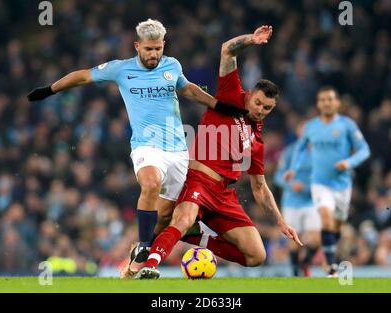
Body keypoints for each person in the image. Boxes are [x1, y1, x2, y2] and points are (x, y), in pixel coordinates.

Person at [26, 19, 243, 277]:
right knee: (150, 184)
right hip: (146, 146)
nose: (154, 54)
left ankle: (132, 267)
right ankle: (142, 246)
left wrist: (217, 105)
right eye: (149, 49)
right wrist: (49, 90)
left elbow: (189, 91)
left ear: (164, 45)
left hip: (178, 151)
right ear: (137, 46)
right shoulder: (121, 69)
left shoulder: (172, 66)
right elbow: (83, 75)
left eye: (158, 49)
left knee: (164, 218)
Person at [134, 25, 302, 279]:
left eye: (267, 108)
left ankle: (196, 235)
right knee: (182, 218)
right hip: (199, 180)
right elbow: (227, 51)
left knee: (256, 255)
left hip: (224, 195)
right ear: (249, 95)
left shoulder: (257, 139)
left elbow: (259, 187)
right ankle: (150, 266)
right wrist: (252, 40)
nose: (260, 109)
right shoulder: (231, 95)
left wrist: (280, 221)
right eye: (257, 102)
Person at [284, 86, 371, 277]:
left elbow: (364, 149)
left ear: (337, 103)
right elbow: (299, 149)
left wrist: (349, 162)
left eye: (330, 99)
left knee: (335, 229)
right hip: (320, 183)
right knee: (325, 217)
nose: (326, 103)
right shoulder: (311, 127)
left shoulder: (347, 125)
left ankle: (307, 260)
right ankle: (331, 267)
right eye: (322, 100)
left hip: (342, 185)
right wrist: (293, 169)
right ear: (318, 104)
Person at [274, 120, 321, 277]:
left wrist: (308, 188)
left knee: (315, 239)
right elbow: (278, 177)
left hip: (311, 201)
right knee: (293, 241)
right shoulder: (289, 152)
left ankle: (304, 263)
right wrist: (291, 185)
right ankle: (295, 272)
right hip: (291, 202)